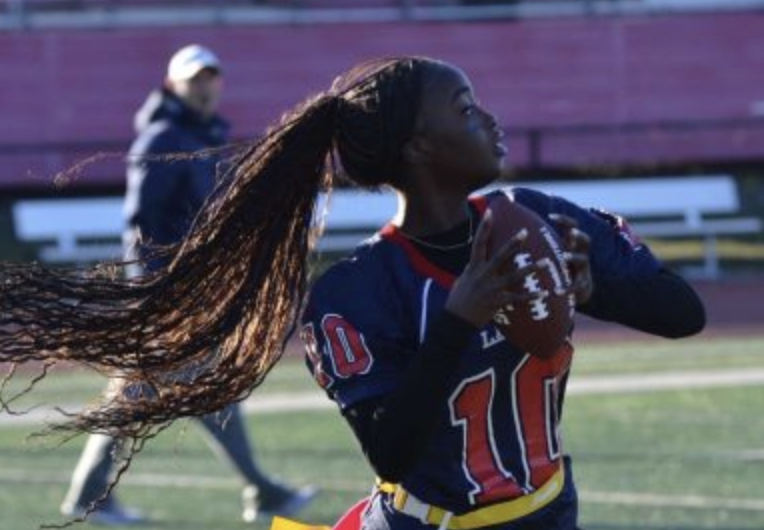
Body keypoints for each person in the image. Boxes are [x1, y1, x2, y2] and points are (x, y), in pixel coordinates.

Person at [0, 57, 705, 530]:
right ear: (419, 147)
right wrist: (458, 322)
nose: (488, 119)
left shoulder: (543, 219)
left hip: (551, 508)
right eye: (464, 109)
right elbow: (393, 453)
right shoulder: (358, 289)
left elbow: (684, 316)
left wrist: (593, 288)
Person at [59, 44, 315, 526]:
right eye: (195, 78)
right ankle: (262, 491)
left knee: (151, 393)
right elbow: (143, 223)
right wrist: (160, 294)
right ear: (174, 84)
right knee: (203, 388)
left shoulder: (200, 135)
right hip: (169, 295)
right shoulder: (163, 137)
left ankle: (90, 497)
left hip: (188, 292)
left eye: (210, 77)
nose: (204, 85)